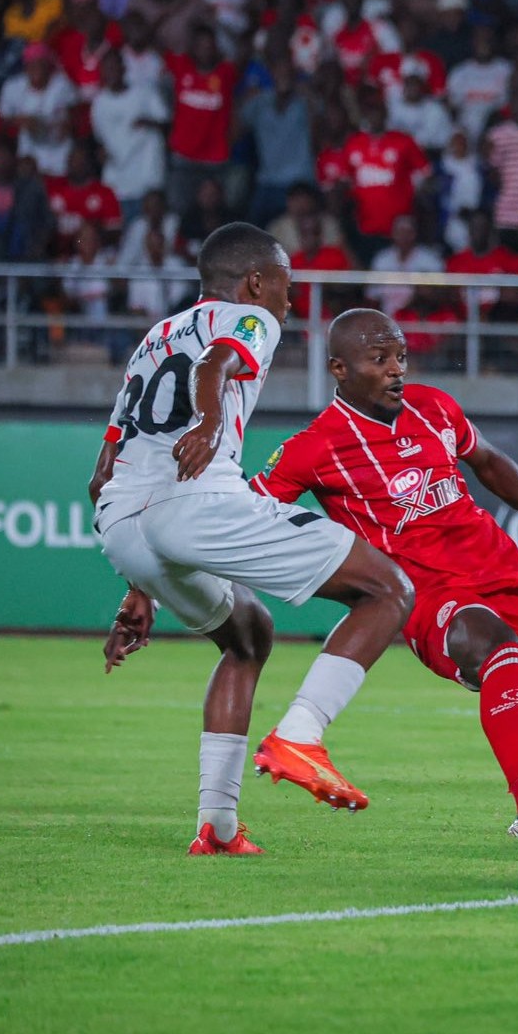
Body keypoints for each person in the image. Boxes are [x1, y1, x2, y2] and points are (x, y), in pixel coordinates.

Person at [250, 310, 518, 837]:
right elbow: (243, 515)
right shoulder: (316, 447)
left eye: (401, 357)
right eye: (380, 359)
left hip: (506, 580)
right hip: (433, 599)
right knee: (496, 646)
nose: (397, 370)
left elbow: (488, 461)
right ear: (338, 369)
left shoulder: (433, 407)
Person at [90, 223, 416, 854]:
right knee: (388, 589)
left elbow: (102, 472)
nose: (288, 306)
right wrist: (212, 421)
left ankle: (218, 826)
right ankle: (301, 735)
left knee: (248, 635)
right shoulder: (250, 318)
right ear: (256, 282)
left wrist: (142, 582)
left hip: (123, 522)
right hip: (197, 501)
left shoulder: (154, 339)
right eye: (286, 289)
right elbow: (217, 363)